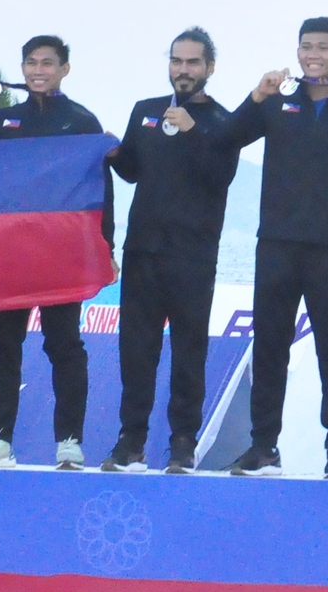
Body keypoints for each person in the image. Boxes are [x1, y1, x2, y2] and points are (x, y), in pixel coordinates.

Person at [222, 16, 328, 479]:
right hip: (277, 245)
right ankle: (264, 446)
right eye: (306, 47)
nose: (312, 55)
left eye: (323, 48)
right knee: (269, 347)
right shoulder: (277, 101)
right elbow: (226, 137)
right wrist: (257, 96)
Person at [0, 34, 113, 470]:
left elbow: (99, 192)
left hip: (60, 255)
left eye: (48, 63)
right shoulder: (3, 121)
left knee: (64, 345)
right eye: (31, 62)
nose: (38, 71)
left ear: (65, 69)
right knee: (2, 345)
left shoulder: (82, 122)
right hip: (7, 253)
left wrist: (106, 245)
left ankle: (70, 442)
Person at [102, 28, 239, 474]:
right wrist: (111, 151)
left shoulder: (222, 122)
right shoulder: (145, 111)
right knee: (136, 350)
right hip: (143, 250)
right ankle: (131, 440)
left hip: (193, 256)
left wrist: (193, 131)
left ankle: (182, 443)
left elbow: (219, 177)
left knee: (188, 352)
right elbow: (132, 172)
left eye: (193, 63)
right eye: (177, 61)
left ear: (210, 68)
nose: (183, 70)